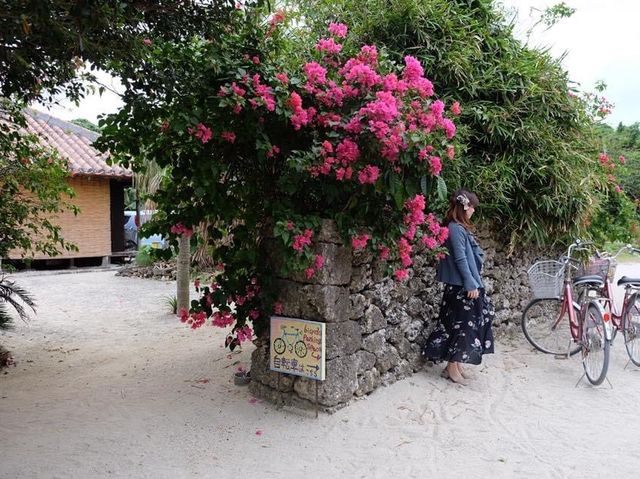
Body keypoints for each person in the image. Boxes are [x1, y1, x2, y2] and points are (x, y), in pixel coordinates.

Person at [422, 189, 495, 385]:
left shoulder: (459, 228)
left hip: (464, 285)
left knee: (467, 325)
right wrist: (470, 283)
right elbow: (460, 258)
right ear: (464, 207)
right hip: (460, 287)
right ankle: (453, 368)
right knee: (461, 327)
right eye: (471, 207)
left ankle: (455, 365)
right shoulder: (455, 228)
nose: (473, 211)